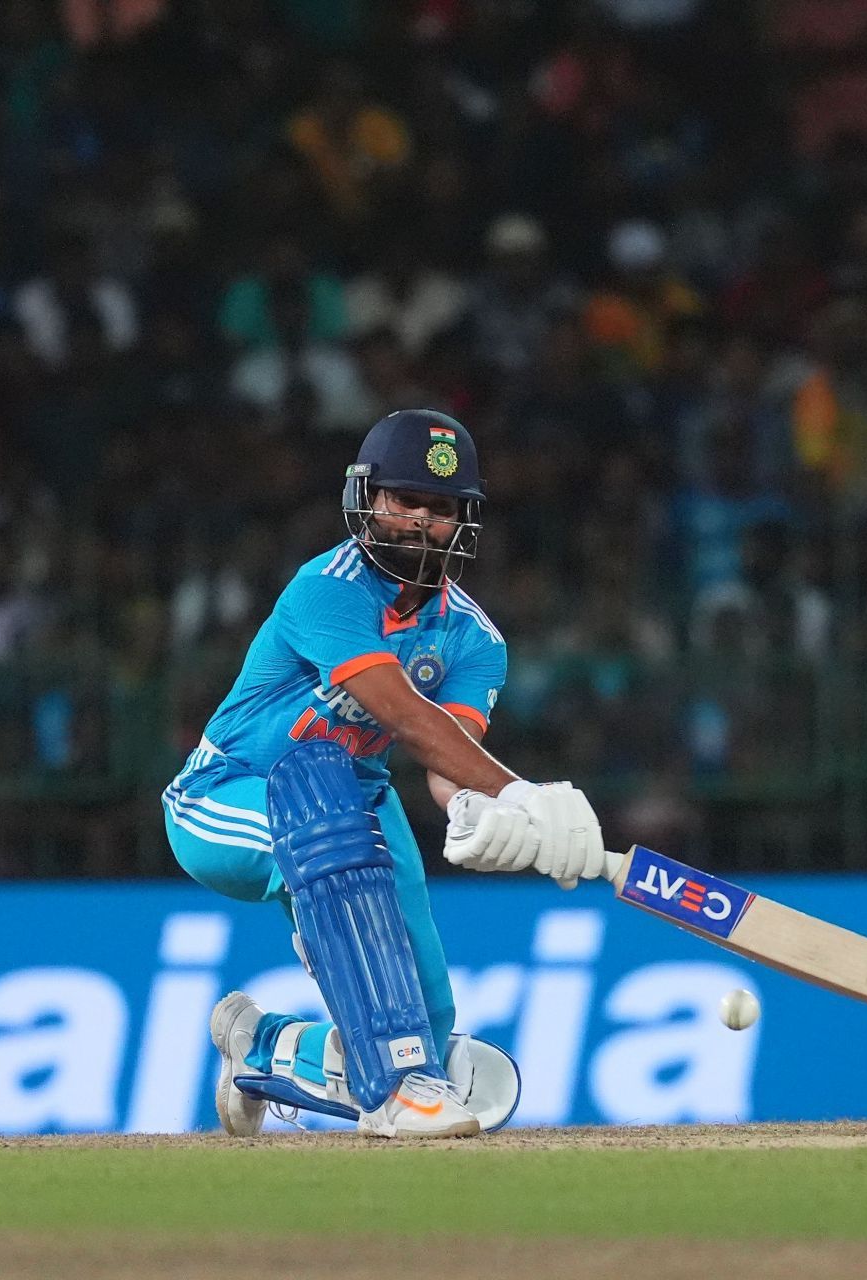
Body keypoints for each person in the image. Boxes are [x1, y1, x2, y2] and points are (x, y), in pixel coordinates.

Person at [162, 409, 608, 1139]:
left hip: (358, 804)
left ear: (463, 521)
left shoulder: (474, 638)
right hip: (227, 795)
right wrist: (523, 793)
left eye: (438, 508)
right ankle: (397, 1092)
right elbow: (402, 715)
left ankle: (266, 1045)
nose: (418, 521)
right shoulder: (326, 589)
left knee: (424, 1024)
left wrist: (483, 813)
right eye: (403, 500)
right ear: (367, 500)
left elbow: (445, 758)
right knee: (332, 850)